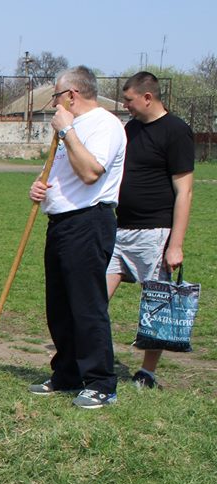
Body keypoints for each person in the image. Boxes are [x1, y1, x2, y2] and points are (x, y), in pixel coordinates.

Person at [28, 65, 126, 409]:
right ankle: (67, 373)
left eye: (56, 95)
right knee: (59, 305)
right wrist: (40, 189)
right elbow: (61, 174)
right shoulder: (69, 128)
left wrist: (67, 131)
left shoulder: (104, 125)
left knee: (87, 305)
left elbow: (89, 173)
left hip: (88, 222)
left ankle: (101, 381)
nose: (53, 103)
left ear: (72, 95)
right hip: (60, 224)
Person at [108, 71, 194, 390]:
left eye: (129, 100)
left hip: (155, 232)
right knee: (94, 296)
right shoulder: (131, 129)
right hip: (120, 230)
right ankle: (88, 357)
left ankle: (147, 373)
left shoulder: (176, 131)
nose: (125, 106)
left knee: (155, 304)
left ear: (148, 97)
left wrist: (176, 244)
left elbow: (184, 191)